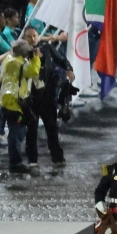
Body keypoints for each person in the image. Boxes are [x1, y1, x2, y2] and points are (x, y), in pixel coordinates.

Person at [21, 26, 71, 167]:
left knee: (52, 128)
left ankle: (57, 157)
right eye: (29, 36)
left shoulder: (47, 49)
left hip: (48, 96)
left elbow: (61, 60)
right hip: (31, 98)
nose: (33, 39)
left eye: (35, 35)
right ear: (25, 38)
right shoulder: (22, 53)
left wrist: (69, 69)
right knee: (32, 130)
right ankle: (32, 159)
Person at [0, 39, 41, 173]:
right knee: (16, 132)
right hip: (14, 102)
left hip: (10, 100)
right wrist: (36, 58)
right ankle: (15, 163)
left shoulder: (9, 59)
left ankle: (16, 161)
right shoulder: (18, 63)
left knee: (17, 130)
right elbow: (33, 72)